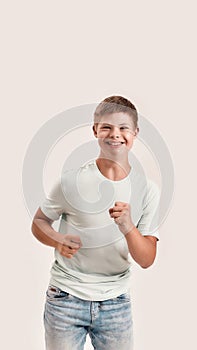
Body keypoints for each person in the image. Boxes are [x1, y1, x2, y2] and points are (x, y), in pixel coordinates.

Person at [32, 95, 160, 350]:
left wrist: (128, 227)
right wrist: (57, 240)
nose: (116, 134)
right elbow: (39, 222)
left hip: (116, 303)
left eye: (124, 128)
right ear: (95, 131)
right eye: (107, 127)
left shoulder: (147, 190)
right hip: (65, 298)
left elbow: (146, 259)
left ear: (135, 132)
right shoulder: (71, 181)